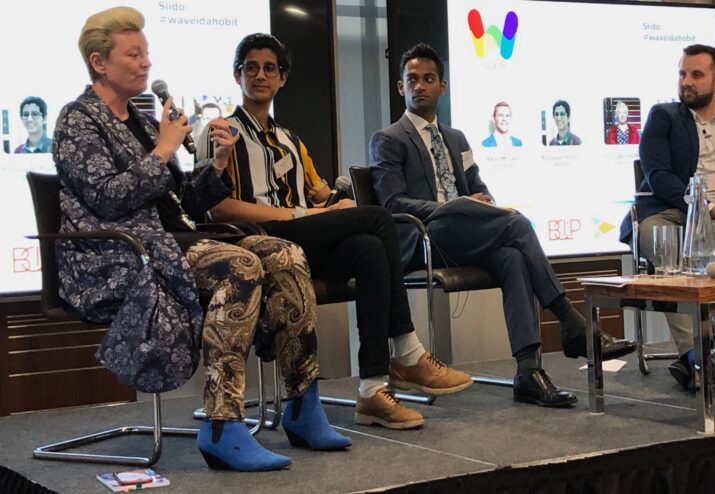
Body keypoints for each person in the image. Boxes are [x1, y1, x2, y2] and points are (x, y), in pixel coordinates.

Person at [56, 7, 349, 472]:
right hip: (121, 255)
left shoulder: (146, 122)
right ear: (99, 62)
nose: (146, 63)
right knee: (242, 266)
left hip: (172, 240)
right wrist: (165, 150)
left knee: (286, 254)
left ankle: (302, 404)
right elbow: (108, 199)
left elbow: (186, 205)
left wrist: (215, 165)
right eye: (134, 54)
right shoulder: (78, 121)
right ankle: (222, 426)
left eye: (147, 53)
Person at [197, 33, 471, 430]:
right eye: (251, 68)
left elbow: (321, 194)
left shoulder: (291, 140)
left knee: (369, 248)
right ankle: (408, 351)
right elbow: (216, 206)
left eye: (269, 68)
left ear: (282, 79)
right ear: (237, 75)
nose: (260, 75)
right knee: (377, 217)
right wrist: (293, 215)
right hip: (254, 240)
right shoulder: (219, 131)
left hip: (300, 237)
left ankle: (373, 390)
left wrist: (334, 204)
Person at [369, 42, 636, 407]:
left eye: (428, 79)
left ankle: (528, 370)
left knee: (512, 255)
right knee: (519, 224)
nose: (420, 86)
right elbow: (392, 204)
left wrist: (479, 200)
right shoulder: (388, 140)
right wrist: (455, 206)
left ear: (442, 87)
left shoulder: (457, 138)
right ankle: (571, 323)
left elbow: (478, 187)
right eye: (412, 79)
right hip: (424, 236)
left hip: (463, 232)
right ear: (400, 87)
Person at [618, 44, 715, 392]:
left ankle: (706, 352)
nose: (686, 81)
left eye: (696, 75)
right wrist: (707, 207)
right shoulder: (663, 117)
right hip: (667, 213)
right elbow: (658, 176)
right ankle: (695, 355)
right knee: (669, 252)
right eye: (682, 74)